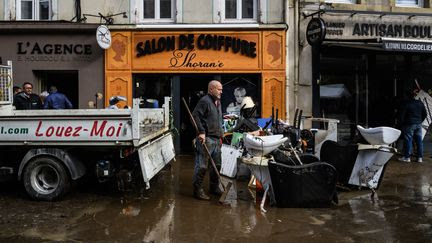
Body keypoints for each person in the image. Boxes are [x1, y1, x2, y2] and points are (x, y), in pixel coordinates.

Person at [191, 80, 224, 200]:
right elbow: (195, 116)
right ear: (211, 89)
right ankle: (197, 190)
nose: (221, 91)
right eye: (219, 89)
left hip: (216, 139)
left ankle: (214, 187)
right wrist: (201, 132)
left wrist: (221, 135)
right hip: (207, 139)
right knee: (202, 166)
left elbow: (218, 120)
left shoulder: (218, 102)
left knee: (217, 165)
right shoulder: (205, 101)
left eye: (221, 89)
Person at [399, 88, 427, 163]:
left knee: (408, 140)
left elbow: (402, 115)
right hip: (418, 124)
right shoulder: (420, 103)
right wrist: (420, 121)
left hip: (409, 124)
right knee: (419, 141)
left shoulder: (406, 103)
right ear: (415, 96)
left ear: (407, 96)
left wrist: (402, 123)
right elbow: (425, 114)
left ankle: (407, 157)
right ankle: (419, 158)